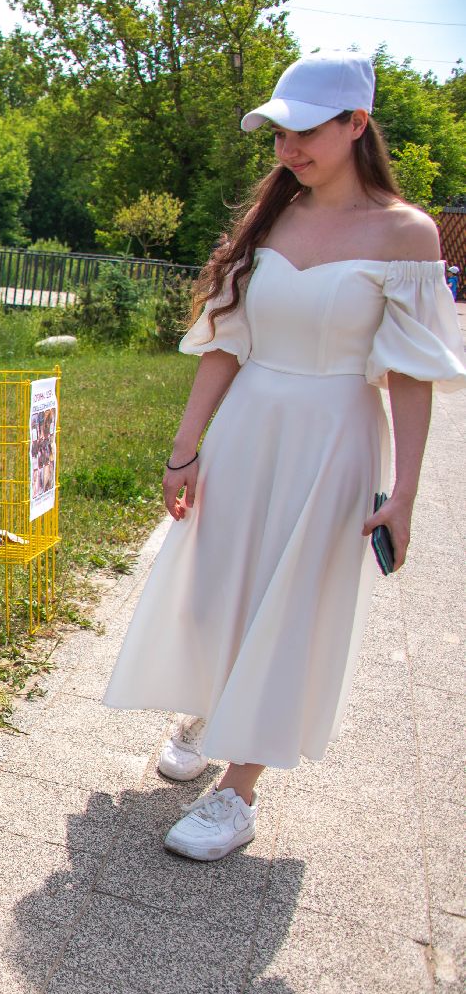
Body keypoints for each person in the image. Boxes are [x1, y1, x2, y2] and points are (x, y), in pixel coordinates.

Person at [103, 53, 466, 861]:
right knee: (218, 585)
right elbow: (226, 342)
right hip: (248, 425)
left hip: (335, 436)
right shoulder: (273, 217)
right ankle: (210, 705)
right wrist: (184, 448)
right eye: (277, 132)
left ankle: (239, 791)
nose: (286, 147)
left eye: (304, 131)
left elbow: (412, 374)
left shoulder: (406, 233)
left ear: (356, 124)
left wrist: (405, 492)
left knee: (291, 599)